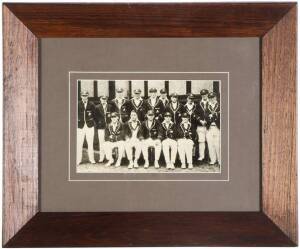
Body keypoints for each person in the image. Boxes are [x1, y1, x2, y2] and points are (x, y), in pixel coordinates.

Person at [77, 91, 96, 165]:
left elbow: (94, 114)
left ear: (88, 96)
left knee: (90, 143)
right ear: (81, 96)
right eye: (83, 95)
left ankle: (92, 159)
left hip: (89, 126)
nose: (84, 97)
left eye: (86, 95)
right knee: (79, 143)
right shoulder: (78, 104)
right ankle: (78, 160)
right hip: (80, 126)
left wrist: (92, 122)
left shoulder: (91, 104)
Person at [94, 95, 113, 163]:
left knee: (108, 141)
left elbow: (112, 115)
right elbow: (95, 117)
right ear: (100, 99)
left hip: (108, 126)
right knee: (101, 141)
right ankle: (101, 157)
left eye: (105, 99)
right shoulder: (97, 107)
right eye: (102, 99)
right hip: (100, 126)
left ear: (107, 99)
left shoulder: (110, 106)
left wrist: (110, 123)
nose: (104, 100)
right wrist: (98, 123)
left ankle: (109, 157)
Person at [206, 92, 220, 165]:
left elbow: (221, 117)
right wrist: (211, 116)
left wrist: (214, 115)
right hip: (210, 127)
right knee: (210, 144)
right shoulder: (207, 106)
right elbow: (206, 117)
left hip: (217, 127)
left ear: (216, 97)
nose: (212, 99)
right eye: (210, 98)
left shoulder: (220, 106)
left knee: (218, 144)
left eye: (213, 97)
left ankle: (220, 160)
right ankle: (213, 160)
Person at [195, 89, 209, 162]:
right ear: (201, 96)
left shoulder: (211, 103)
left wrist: (207, 121)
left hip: (208, 125)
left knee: (209, 141)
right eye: (203, 95)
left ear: (207, 95)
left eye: (205, 95)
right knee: (201, 141)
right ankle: (201, 156)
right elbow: (195, 114)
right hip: (200, 125)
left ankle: (209, 157)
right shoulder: (198, 104)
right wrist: (200, 120)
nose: (204, 96)